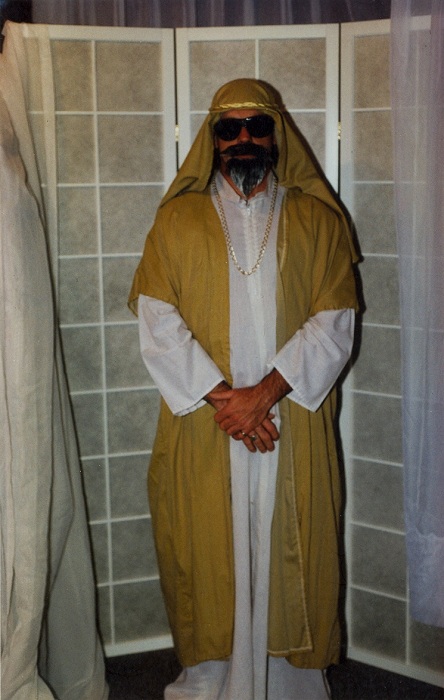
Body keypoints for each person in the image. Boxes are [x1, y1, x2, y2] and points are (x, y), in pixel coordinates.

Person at [128, 78, 359, 700]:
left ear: (277, 136)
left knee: (294, 551)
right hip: (207, 424)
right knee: (206, 554)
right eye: (228, 128)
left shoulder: (318, 221)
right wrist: (225, 399)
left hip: (291, 421)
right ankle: (209, 686)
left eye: (257, 126)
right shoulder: (176, 221)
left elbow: (335, 319)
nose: (243, 139)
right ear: (213, 139)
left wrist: (265, 395)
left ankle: (290, 688)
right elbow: (157, 319)